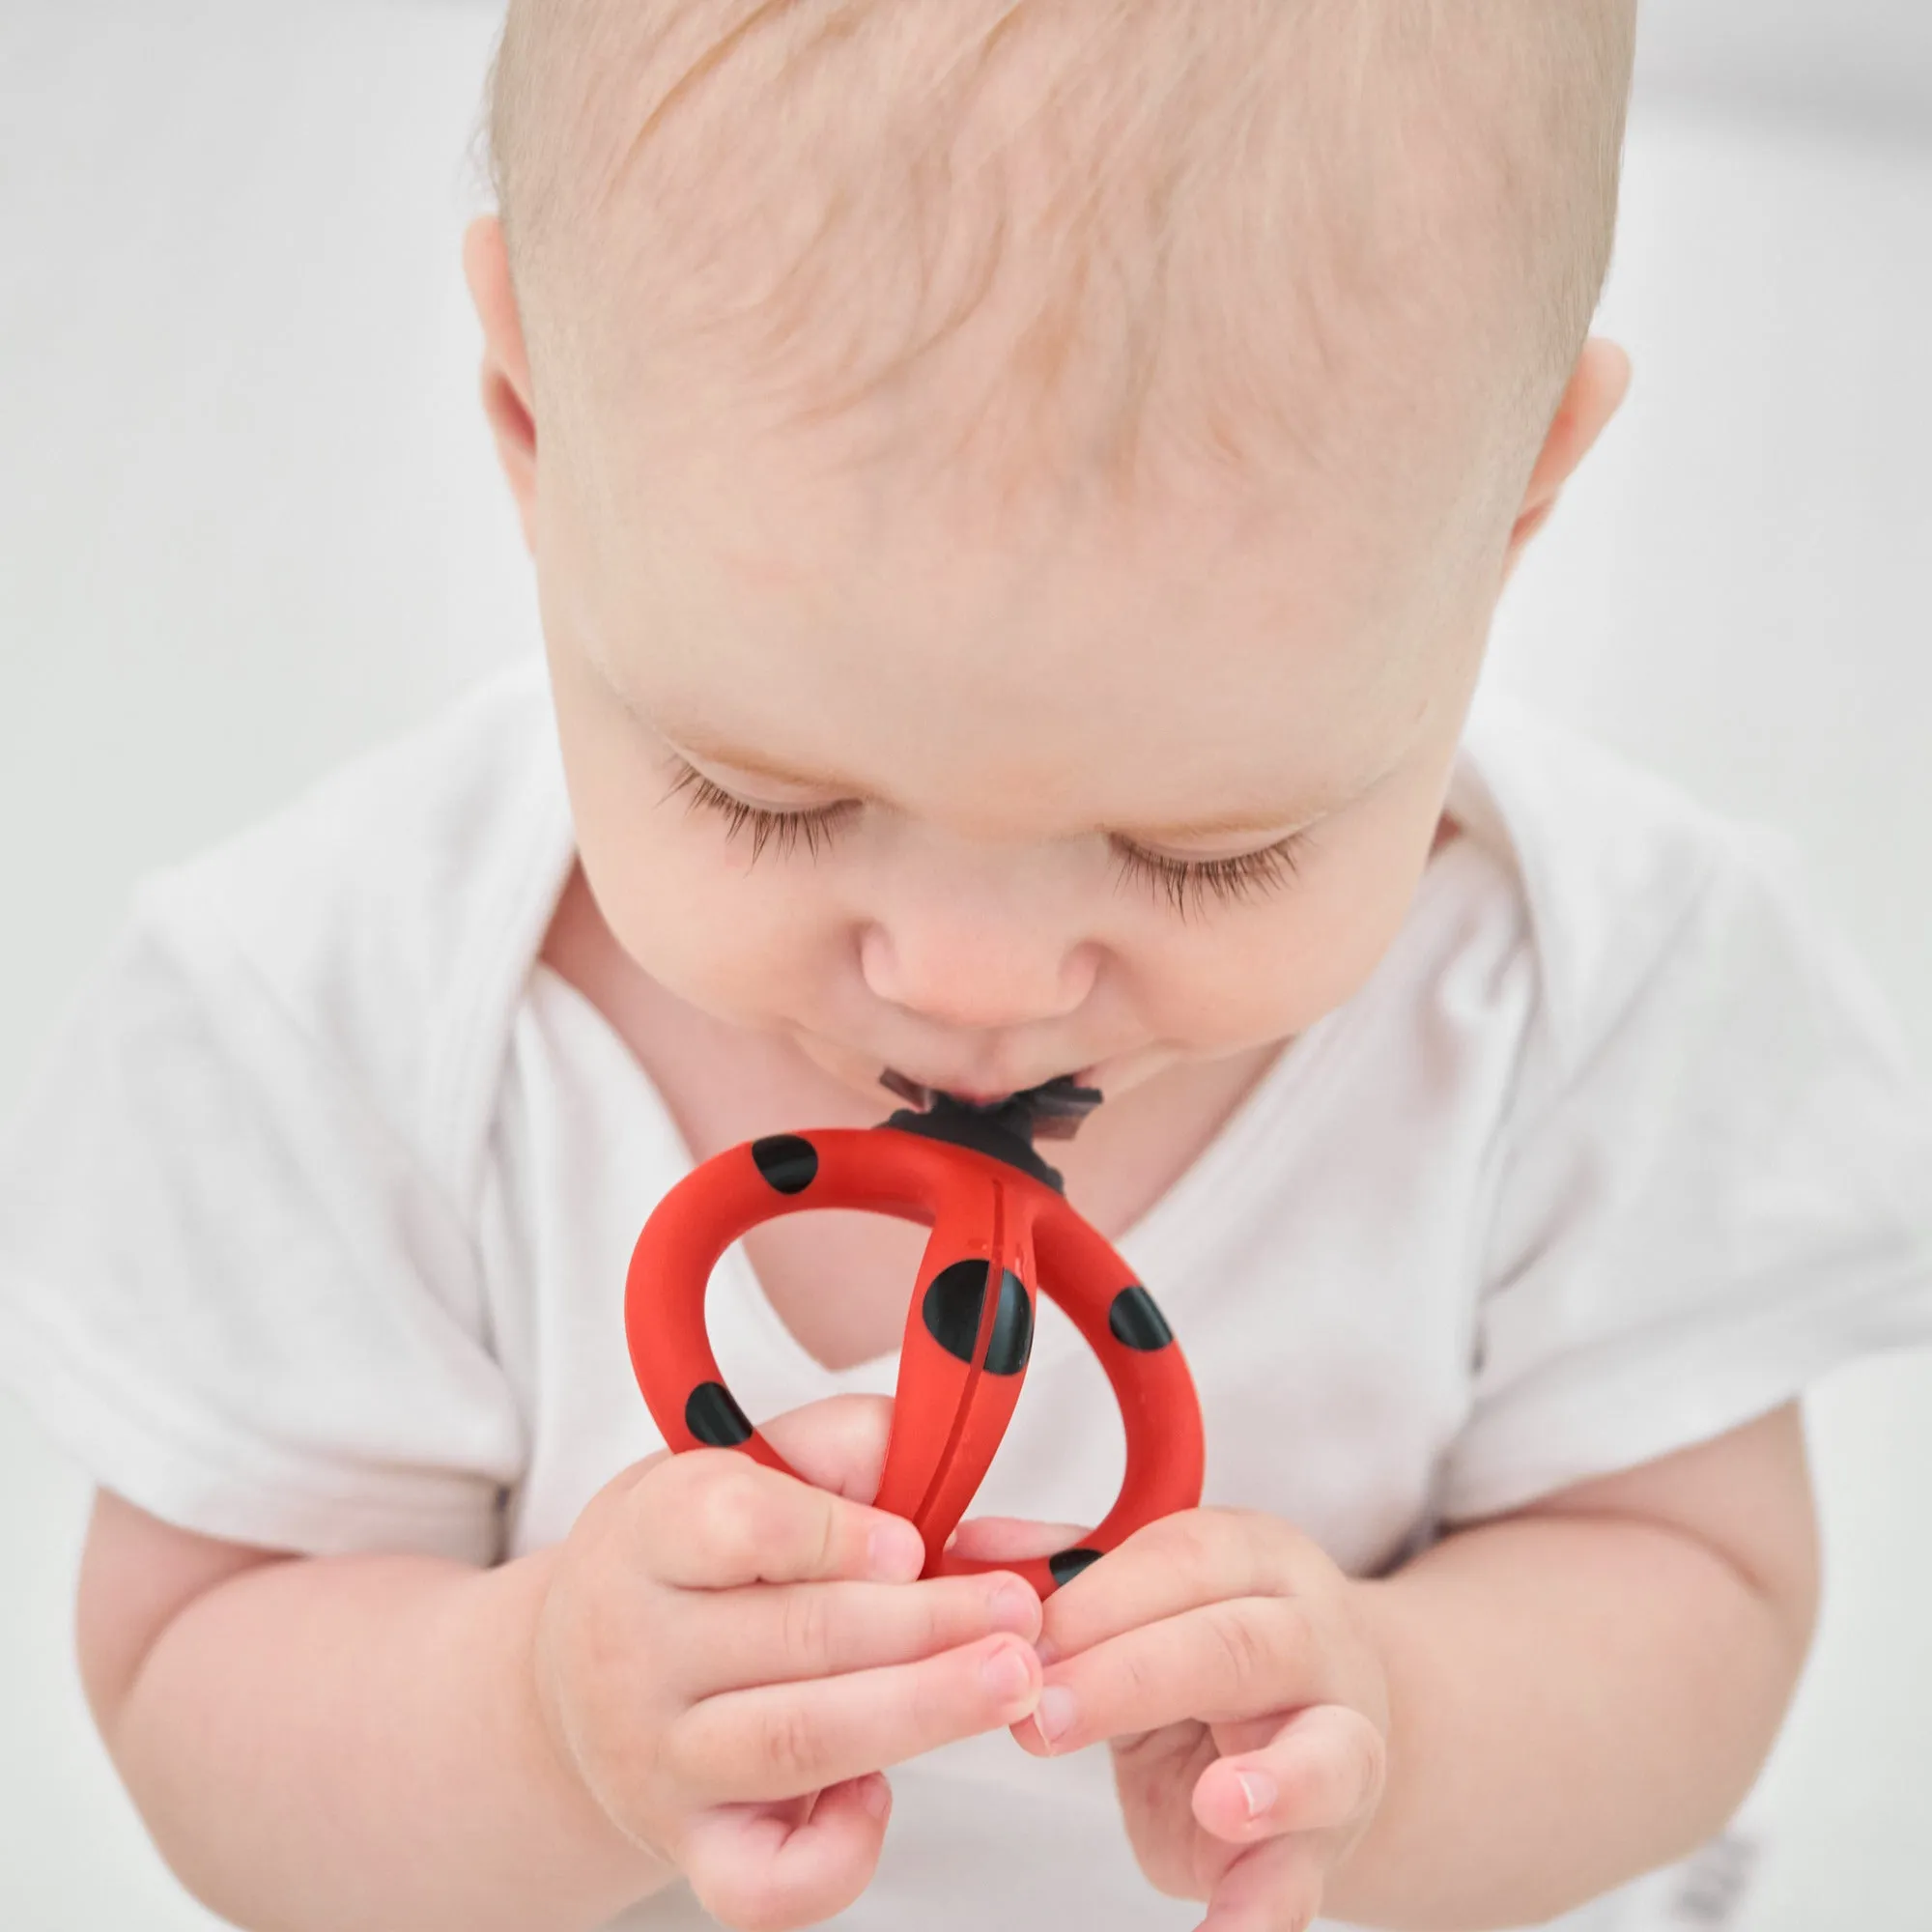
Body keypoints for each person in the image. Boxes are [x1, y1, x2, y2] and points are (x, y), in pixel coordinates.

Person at [3, 4, 1928, 1929]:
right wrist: (534, 1724)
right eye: (766, 797)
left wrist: (1409, 1726)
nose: (970, 981)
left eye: (1211, 845)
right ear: (529, 413)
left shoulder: (1590, 1000)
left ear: (1513, 502)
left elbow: (1699, 1582)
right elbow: (196, 1663)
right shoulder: (338, 1016)